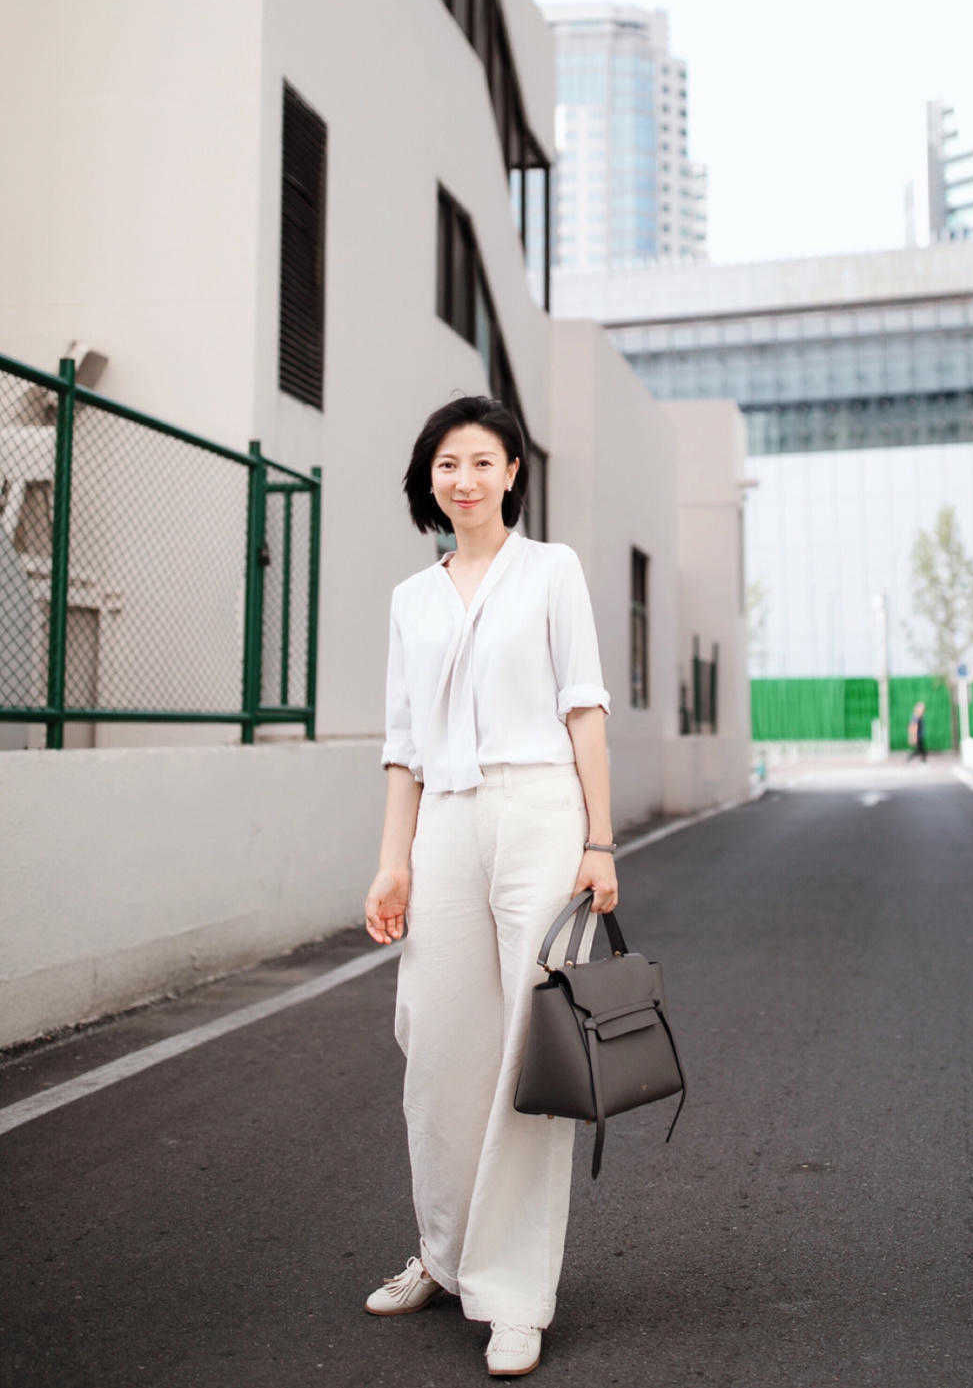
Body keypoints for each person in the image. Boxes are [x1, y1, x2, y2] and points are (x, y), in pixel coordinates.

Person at [362, 395, 617, 1378]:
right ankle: (443, 1249)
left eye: (481, 461)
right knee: (433, 1041)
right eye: (445, 464)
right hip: (447, 824)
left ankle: (513, 1290)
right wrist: (394, 859)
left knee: (529, 1047)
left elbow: (584, 711)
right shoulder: (410, 600)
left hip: (542, 813)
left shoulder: (552, 571)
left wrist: (599, 841)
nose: (462, 478)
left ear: (513, 471)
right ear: (429, 481)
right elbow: (403, 750)